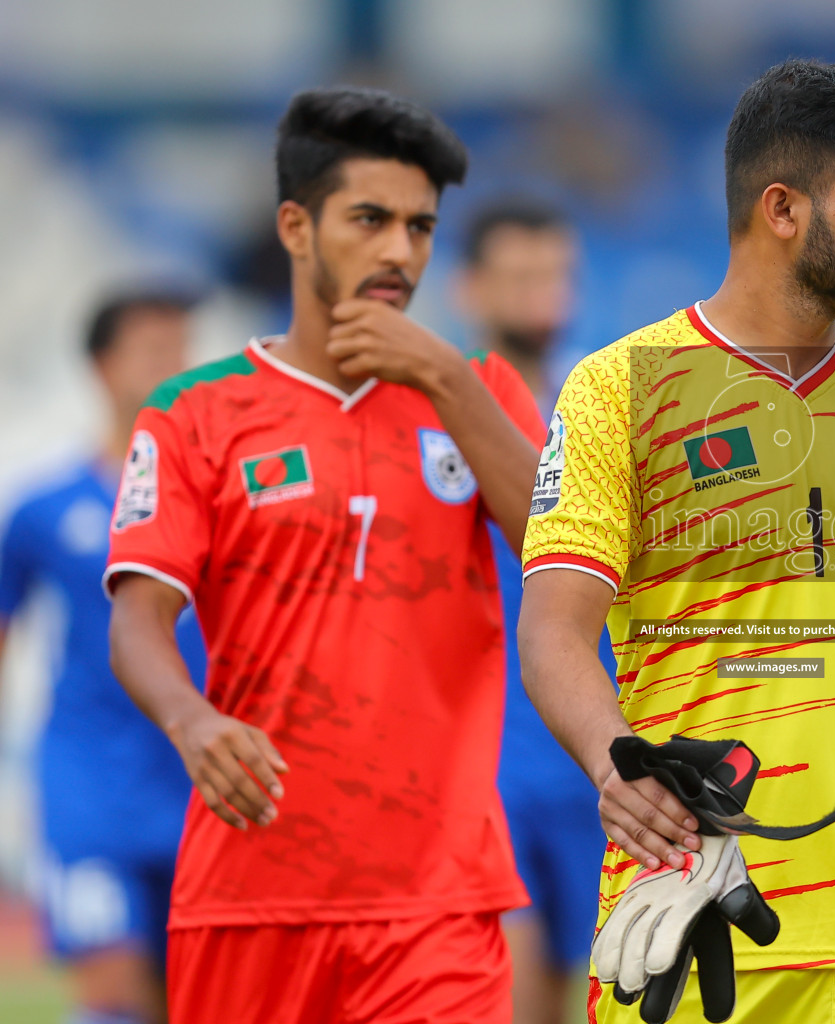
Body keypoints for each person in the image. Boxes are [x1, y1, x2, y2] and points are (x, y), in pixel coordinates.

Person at [519, 59, 835, 1024]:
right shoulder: (620, 391)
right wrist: (617, 769)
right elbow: (555, 631)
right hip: (698, 919)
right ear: (783, 209)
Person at [104, 86, 546, 1024]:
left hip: (439, 898)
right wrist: (192, 723)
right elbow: (138, 622)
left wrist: (437, 374)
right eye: (371, 220)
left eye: (422, 227)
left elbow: (555, 541)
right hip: (249, 893)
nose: (400, 251)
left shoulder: (480, 391)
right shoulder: (195, 414)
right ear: (297, 227)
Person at [0, 289, 207, 1024]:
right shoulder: (44, 508)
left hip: (203, 785)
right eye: (152, 349)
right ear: (101, 366)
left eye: (180, 348)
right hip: (89, 789)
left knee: (200, 997)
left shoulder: (220, 500)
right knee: (116, 994)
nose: (170, 366)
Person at [455, 200, 608, 1024]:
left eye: (555, 275)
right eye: (520, 277)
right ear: (472, 287)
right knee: (505, 1003)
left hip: (601, 755)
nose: (542, 296)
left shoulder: (614, 405)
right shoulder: (434, 414)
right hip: (487, 764)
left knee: (603, 1001)